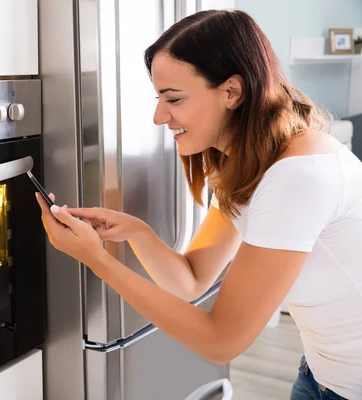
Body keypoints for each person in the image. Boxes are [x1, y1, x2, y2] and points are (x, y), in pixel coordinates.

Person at [35, 9, 362, 400]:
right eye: (159, 97)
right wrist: (136, 231)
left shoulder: (296, 177)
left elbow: (220, 342)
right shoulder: (253, 159)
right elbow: (191, 280)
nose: (159, 116)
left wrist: (98, 260)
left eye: (173, 99)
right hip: (322, 371)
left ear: (231, 92)